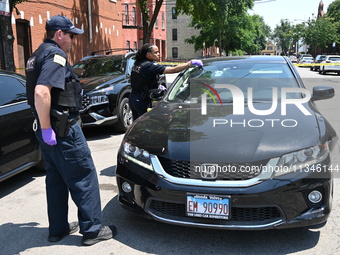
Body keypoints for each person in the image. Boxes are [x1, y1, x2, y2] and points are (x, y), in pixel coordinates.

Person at [25, 15, 116, 246]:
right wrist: (48, 129)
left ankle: (57, 229)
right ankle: (93, 230)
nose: (73, 40)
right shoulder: (56, 55)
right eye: (71, 35)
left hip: (48, 130)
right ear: (59, 34)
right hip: (61, 130)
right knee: (83, 176)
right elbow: (41, 93)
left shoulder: (35, 56)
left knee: (55, 179)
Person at [129, 43, 203, 120]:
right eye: (156, 52)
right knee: (143, 124)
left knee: (136, 123)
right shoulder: (149, 66)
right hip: (142, 101)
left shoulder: (139, 63)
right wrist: (189, 63)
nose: (158, 54)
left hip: (134, 98)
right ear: (148, 54)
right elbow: (173, 69)